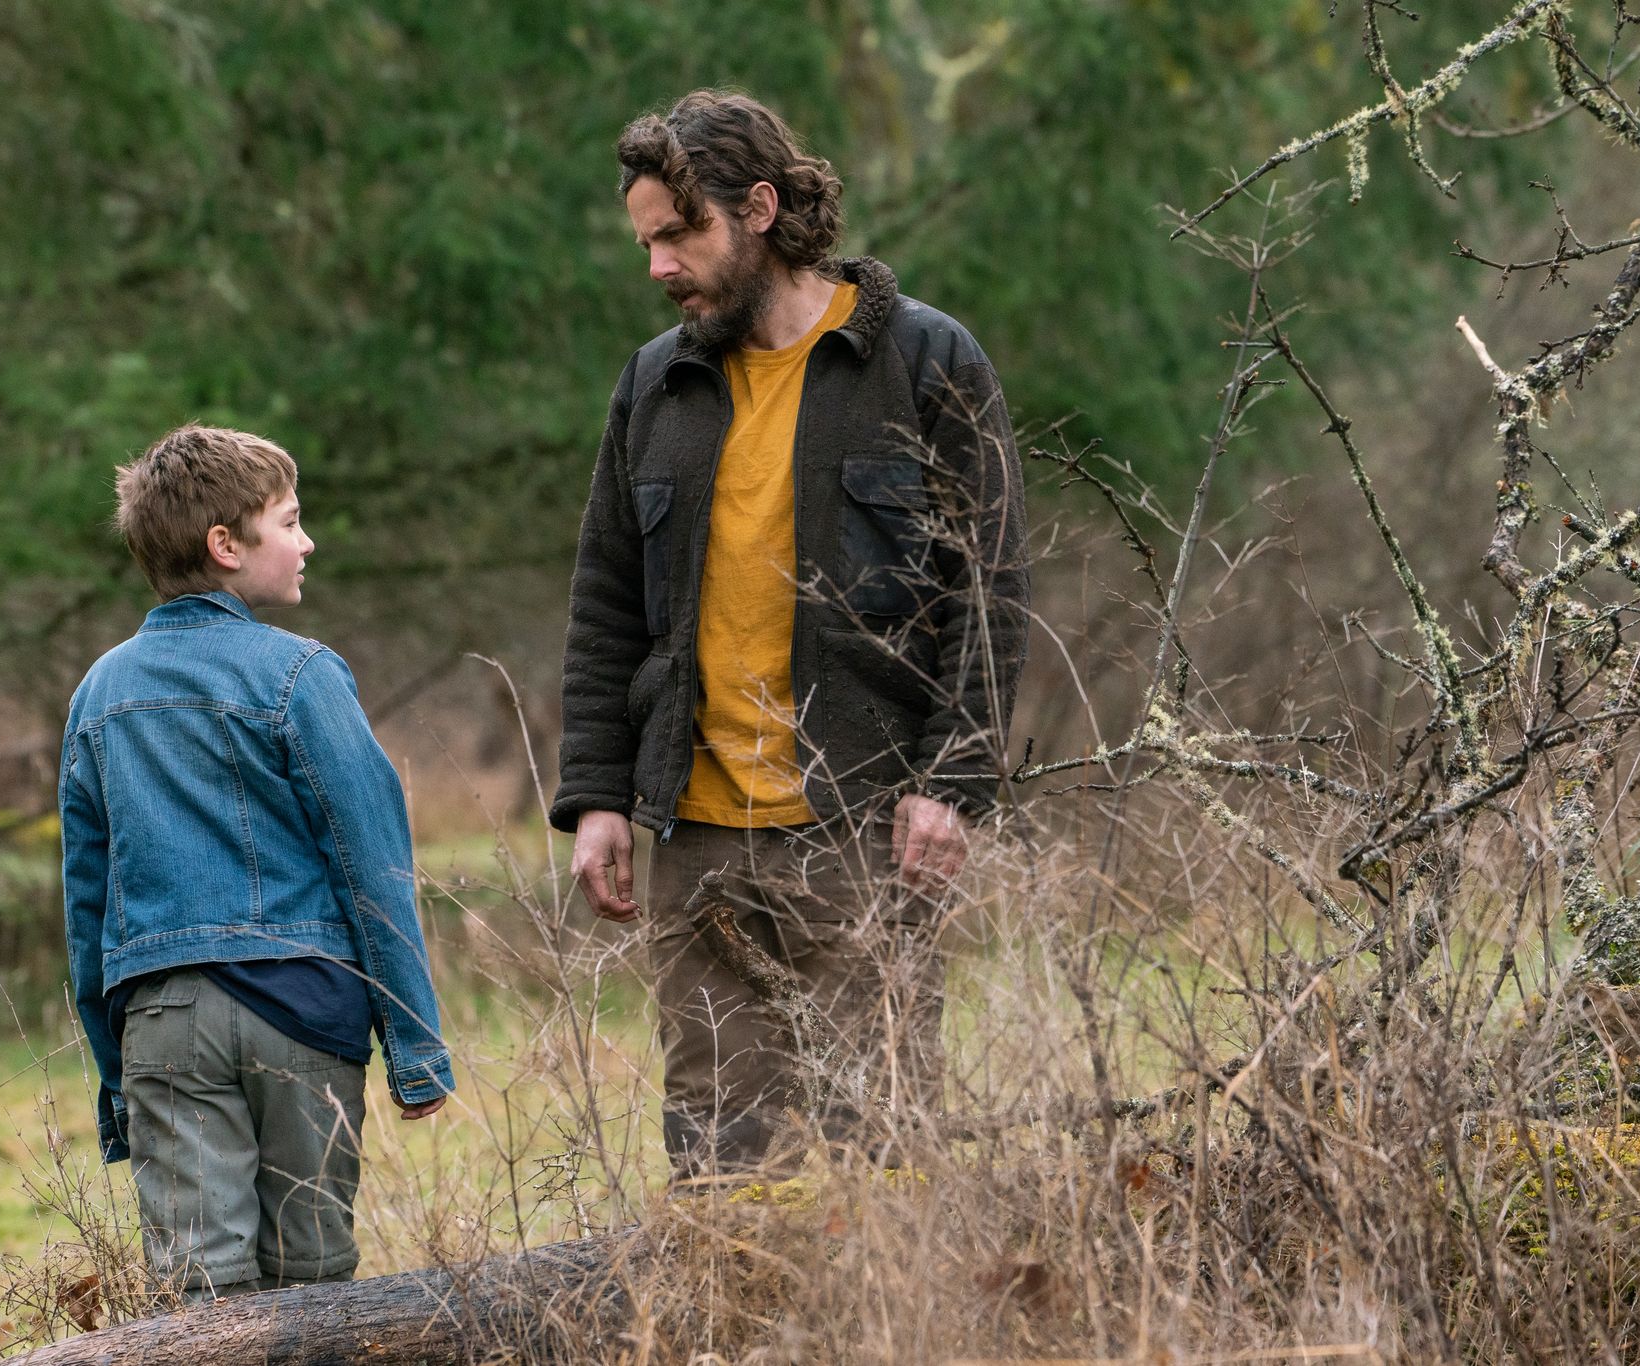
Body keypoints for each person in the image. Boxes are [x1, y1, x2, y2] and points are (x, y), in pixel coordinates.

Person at [552, 90, 1029, 1176]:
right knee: (718, 1153)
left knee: (880, 1148)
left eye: (680, 235)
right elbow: (607, 602)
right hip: (695, 838)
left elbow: (990, 592)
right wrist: (596, 797)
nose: (659, 265)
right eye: (647, 242)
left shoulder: (925, 360)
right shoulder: (656, 384)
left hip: (862, 828)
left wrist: (951, 784)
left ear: (760, 209)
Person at [61, 425, 454, 1299]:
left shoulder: (98, 694)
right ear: (226, 546)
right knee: (312, 1289)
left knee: (199, 1297)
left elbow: (87, 904)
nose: (307, 542)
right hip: (304, 1013)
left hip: (163, 1021)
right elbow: (373, 867)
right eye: (291, 521)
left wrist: (118, 1080)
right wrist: (415, 1047)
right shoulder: (302, 674)